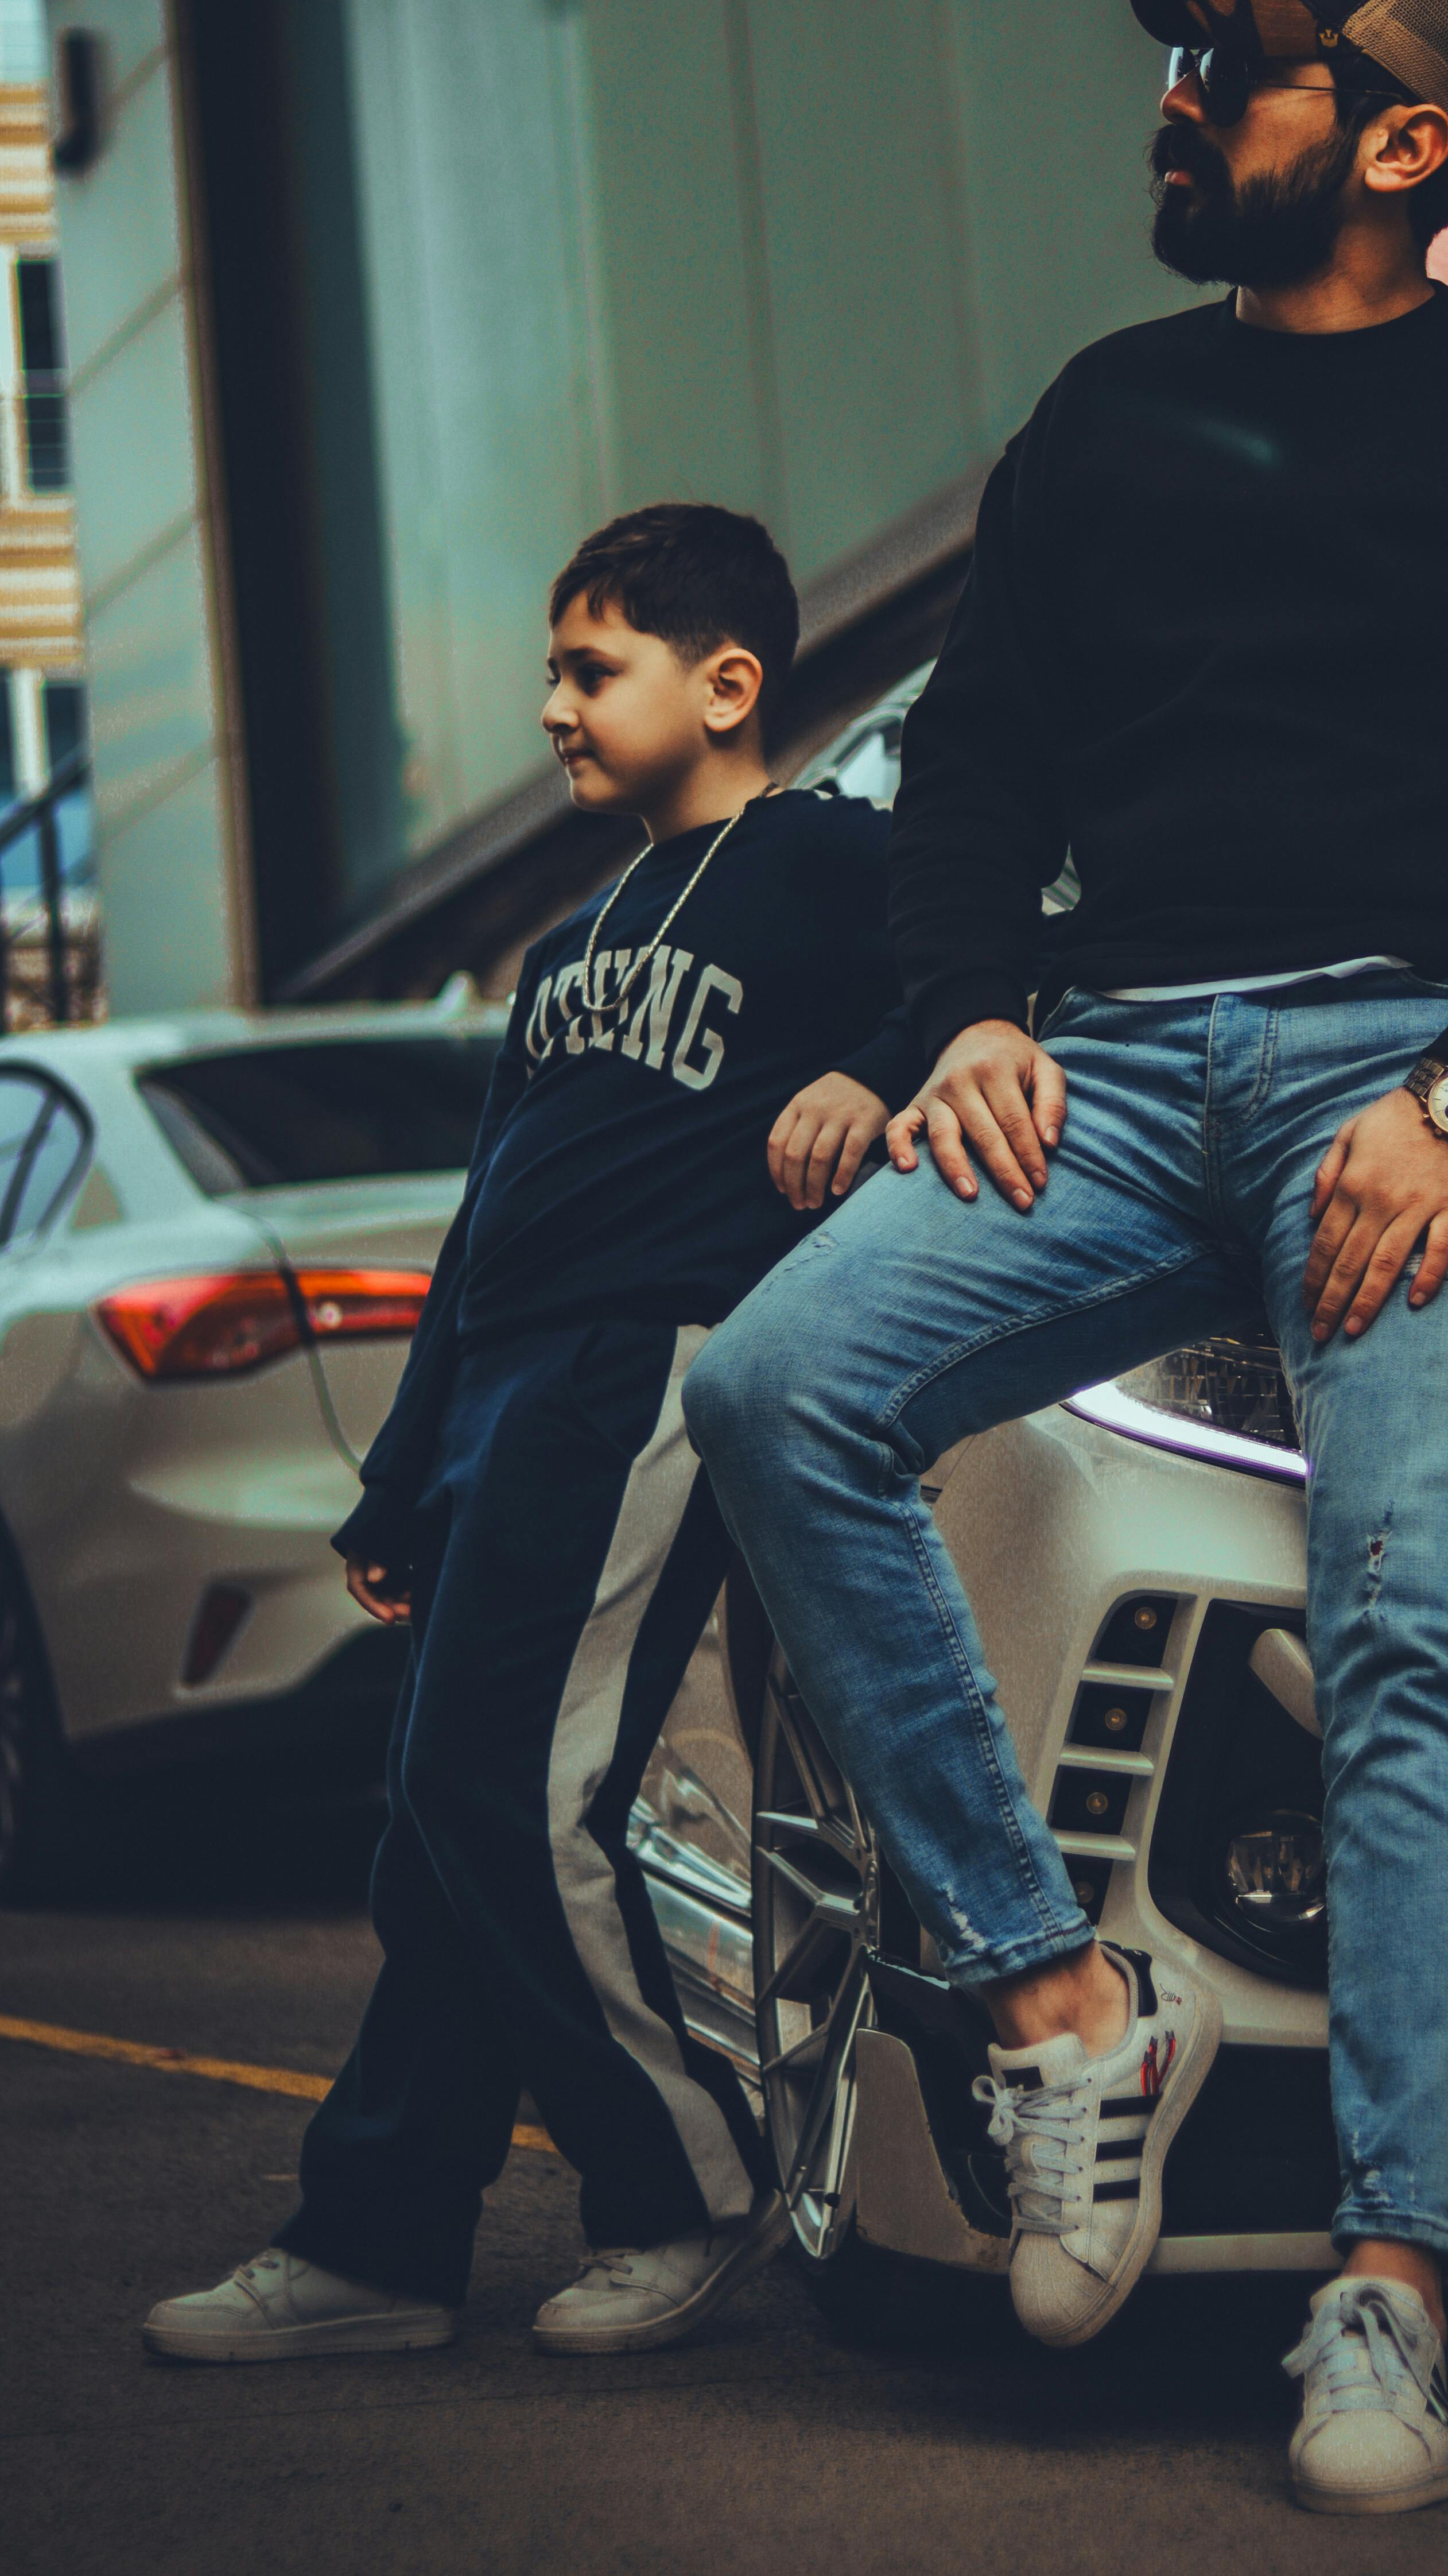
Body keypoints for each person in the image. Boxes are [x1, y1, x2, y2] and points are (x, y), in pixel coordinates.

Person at [685, 0, 1448, 2512]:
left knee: (1404, 1618)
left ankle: (1384, 2287)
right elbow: (980, 769)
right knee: (772, 1386)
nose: (1185, 108)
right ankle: (1060, 2010)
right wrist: (961, 1007)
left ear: (1401, 147)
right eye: (1191, 65)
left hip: (1429, 1074)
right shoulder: (1104, 415)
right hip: (1122, 1063)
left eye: (1246, 76)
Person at [145, 503, 912, 2364]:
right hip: (503, 1394)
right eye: (554, 675)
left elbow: (992, 1002)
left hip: (649, 1375)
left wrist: (874, 1076)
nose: (552, 709)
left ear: (727, 684)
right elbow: (485, 1227)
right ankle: (380, 2247)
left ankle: (693, 2182)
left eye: (591, 671)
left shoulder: (837, 867)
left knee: (521, 1797)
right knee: (434, 1828)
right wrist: (404, 1470)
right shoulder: (565, 948)